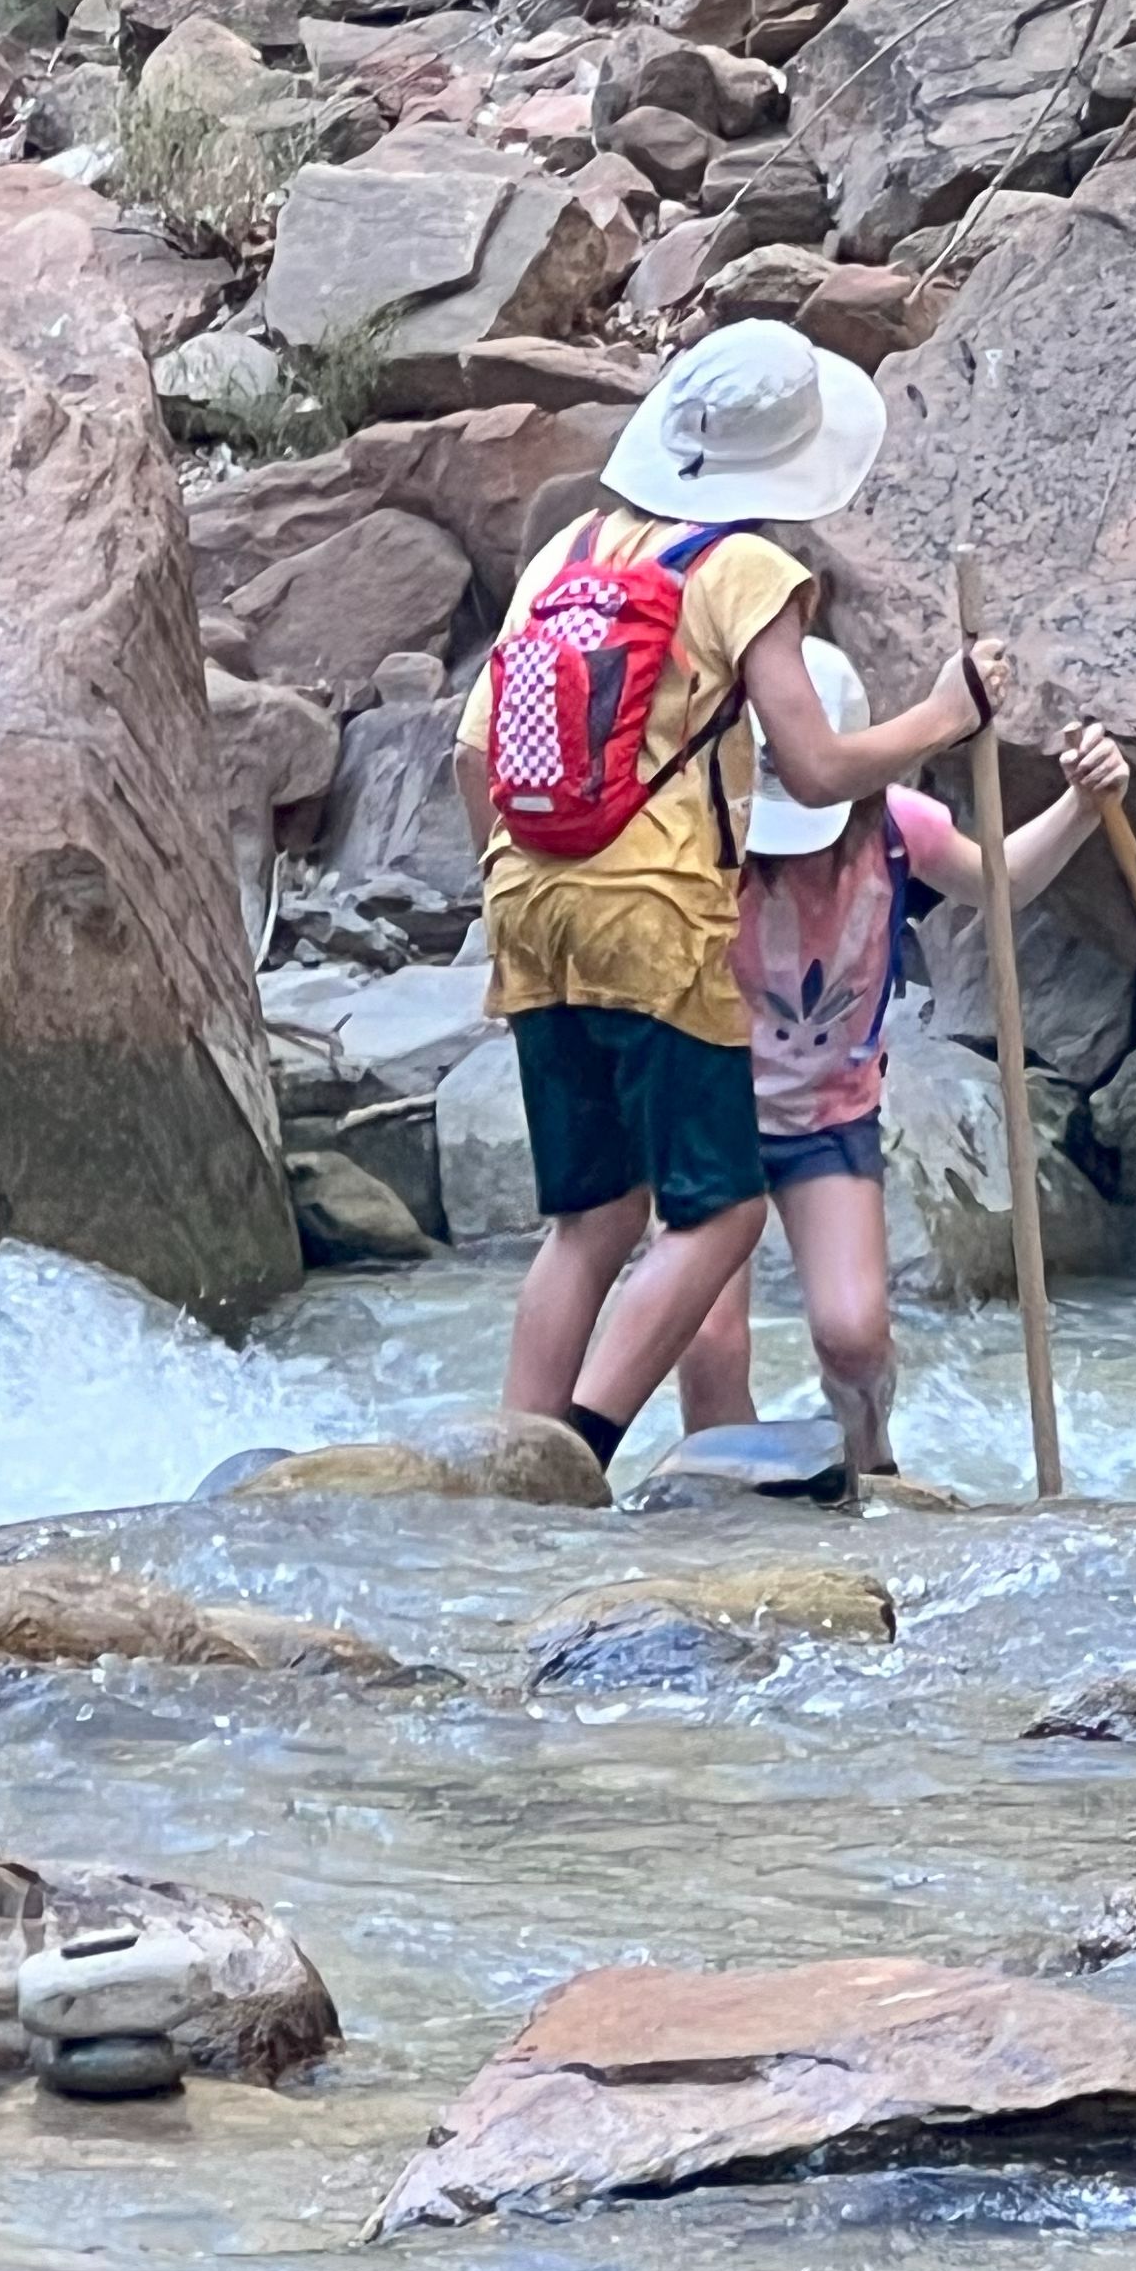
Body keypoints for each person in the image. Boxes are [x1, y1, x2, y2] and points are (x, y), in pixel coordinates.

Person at [451, 318, 998, 1471]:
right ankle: (581, 1450)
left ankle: (509, 1456)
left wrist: (518, 888)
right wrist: (945, 715)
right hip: (655, 924)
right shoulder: (748, 570)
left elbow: (472, 753)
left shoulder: (570, 554)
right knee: (723, 1213)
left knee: (591, 1220)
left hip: (527, 902)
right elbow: (815, 767)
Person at [667, 637, 1130, 1473]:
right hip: (707, 1107)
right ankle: (721, 1496)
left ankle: (869, 1464)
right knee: (706, 1338)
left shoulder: (897, 832)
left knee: (852, 1337)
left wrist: (1082, 805)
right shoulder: (701, 826)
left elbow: (1003, 882)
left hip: (829, 1116)